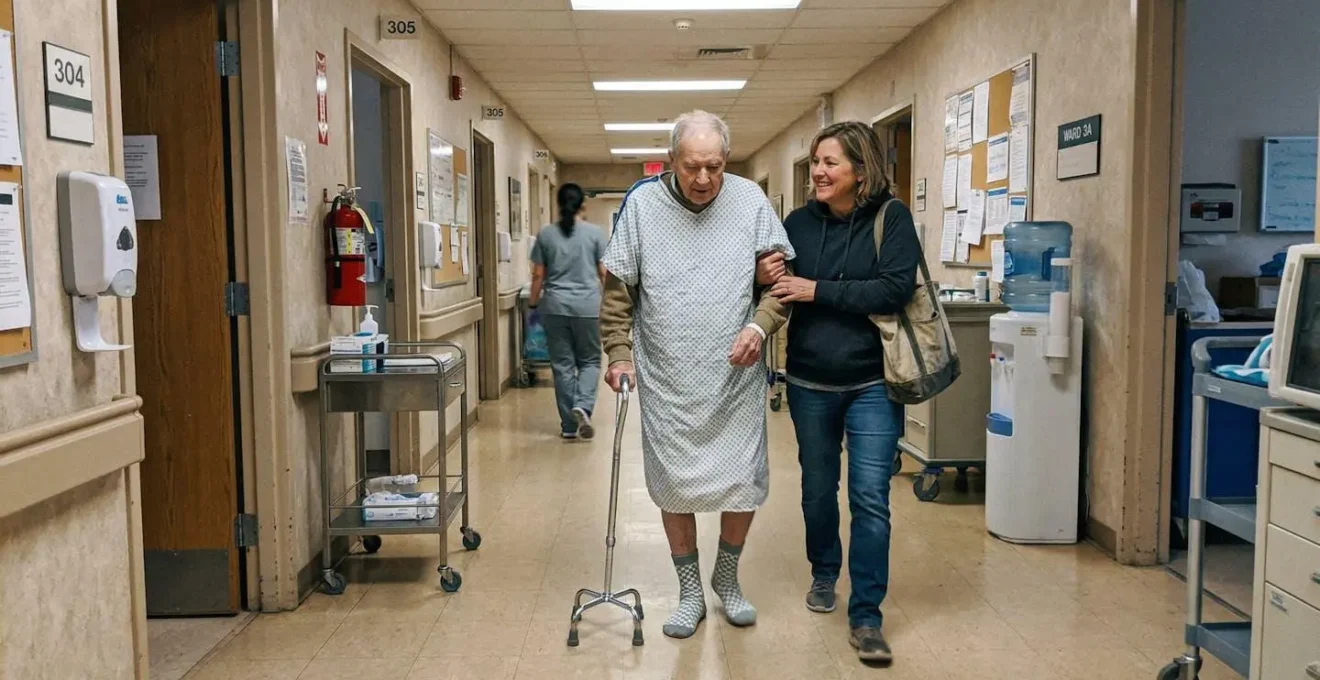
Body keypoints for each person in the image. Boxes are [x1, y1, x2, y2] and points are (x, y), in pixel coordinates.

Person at [600, 110, 793, 640]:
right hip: (669, 378)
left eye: (714, 165)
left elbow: (781, 285)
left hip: (736, 376)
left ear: (726, 160)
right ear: (671, 162)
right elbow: (618, 294)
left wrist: (758, 326)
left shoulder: (751, 202)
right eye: (692, 167)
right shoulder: (641, 206)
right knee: (675, 487)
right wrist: (619, 354)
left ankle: (726, 580)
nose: (704, 178)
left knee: (742, 484)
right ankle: (689, 593)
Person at [758, 121, 921, 664]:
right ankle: (825, 572)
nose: (819, 174)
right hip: (808, 379)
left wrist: (817, 289)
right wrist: (764, 276)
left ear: (861, 169)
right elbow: (775, 289)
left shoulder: (891, 219)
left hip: (874, 381)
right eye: (816, 162)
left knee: (871, 498)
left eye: (830, 163)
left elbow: (895, 288)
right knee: (816, 489)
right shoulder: (797, 224)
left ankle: (868, 616)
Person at [529, 183, 608, 440]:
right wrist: (611, 302)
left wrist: (532, 303)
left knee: (562, 365)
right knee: (591, 361)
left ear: (558, 203)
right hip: (587, 306)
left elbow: (538, 274)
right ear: (582, 204)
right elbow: (604, 273)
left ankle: (568, 426)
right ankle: (583, 406)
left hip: (554, 306)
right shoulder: (595, 233)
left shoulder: (546, 234)